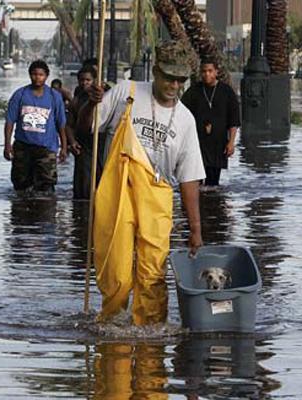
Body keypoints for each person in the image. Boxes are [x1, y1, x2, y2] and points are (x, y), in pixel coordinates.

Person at [77, 40, 205, 324]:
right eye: (169, 77)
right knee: (118, 275)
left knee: (152, 276)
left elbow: (189, 177)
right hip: (117, 195)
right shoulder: (127, 92)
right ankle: (111, 332)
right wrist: (91, 102)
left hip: (157, 203)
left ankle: (151, 340)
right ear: (156, 72)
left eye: (180, 79)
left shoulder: (185, 120)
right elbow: (87, 128)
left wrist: (195, 229)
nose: (174, 85)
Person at [3, 60, 68, 193]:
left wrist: (64, 148)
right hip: (23, 146)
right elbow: (10, 121)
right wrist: (7, 145)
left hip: (46, 148)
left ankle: (44, 210)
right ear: (29, 75)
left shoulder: (54, 97)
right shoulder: (20, 95)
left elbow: (61, 124)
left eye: (41, 74)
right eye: (34, 74)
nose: (37, 77)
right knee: (21, 184)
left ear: (46, 76)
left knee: (46, 185)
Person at [181, 60, 240, 187]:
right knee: (196, 179)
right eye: (204, 71)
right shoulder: (194, 91)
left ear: (216, 72)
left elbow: (234, 119)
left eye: (210, 71)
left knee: (213, 183)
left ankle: (213, 205)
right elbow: (182, 113)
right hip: (197, 143)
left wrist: (231, 142)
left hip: (217, 145)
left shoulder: (226, 91)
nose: (207, 74)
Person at [66, 65, 101, 199]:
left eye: (88, 80)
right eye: (82, 80)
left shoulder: (105, 97)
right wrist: (72, 142)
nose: (85, 83)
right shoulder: (77, 100)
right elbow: (68, 125)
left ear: (94, 80)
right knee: (83, 182)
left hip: (100, 144)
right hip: (83, 146)